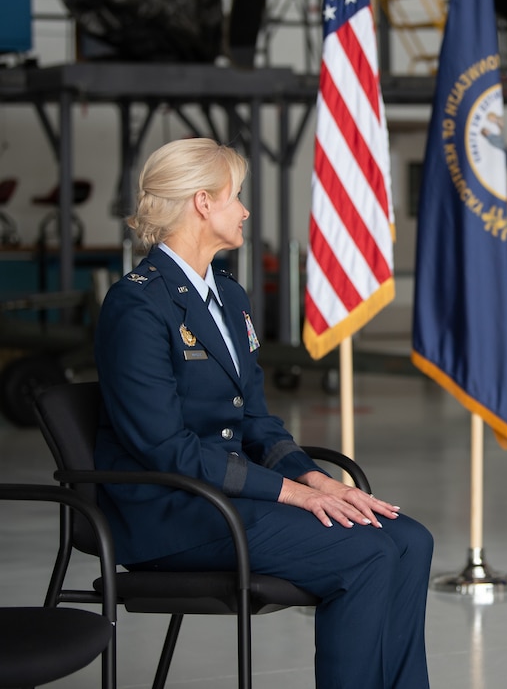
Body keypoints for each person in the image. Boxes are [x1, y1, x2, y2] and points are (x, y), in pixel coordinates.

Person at [93, 138, 433, 687]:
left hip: (227, 496)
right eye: (237, 196)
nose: (245, 210)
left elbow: (256, 420)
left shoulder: (228, 295)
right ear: (203, 203)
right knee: (365, 553)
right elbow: (164, 447)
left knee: (411, 539)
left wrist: (316, 480)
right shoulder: (137, 304)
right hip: (173, 512)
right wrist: (292, 494)